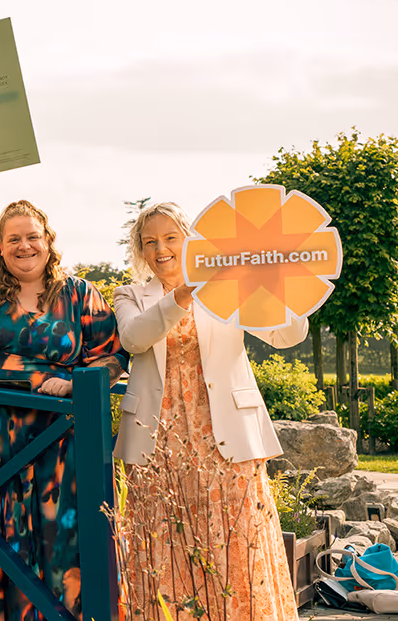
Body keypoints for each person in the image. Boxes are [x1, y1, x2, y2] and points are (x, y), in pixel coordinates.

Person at [0, 165, 126, 620]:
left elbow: (113, 357)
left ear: (48, 241)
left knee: (58, 543)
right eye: (12, 239)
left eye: (32, 236)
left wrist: (75, 382)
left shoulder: (80, 294)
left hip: (58, 442)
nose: (24, 246)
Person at [113, 202, 302, 620]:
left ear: (191, 241)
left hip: (228, 442)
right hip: (156, 447)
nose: (161, 249)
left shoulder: (228, 287)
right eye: (150, 242)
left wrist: (281, 286)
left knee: (235, 545)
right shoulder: (130, 295)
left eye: (170, 238)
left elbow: (285, 334)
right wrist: (182, 295)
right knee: (164, 549)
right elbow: (133, 337)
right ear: (141, 252)